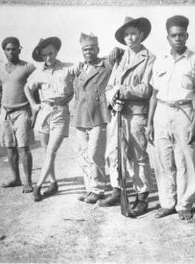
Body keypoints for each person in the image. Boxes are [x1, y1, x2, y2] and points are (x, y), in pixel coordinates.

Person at [147, 15, 195, 220]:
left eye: (181, 35)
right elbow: (154, 94)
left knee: (184, 161)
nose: (177, 39)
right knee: (163, 161)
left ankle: (184, 205)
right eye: (173, 35)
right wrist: (149, 123)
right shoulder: (160, 61)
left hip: (184, 113)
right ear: (168, 37)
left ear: (186, 35)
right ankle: (167, 203)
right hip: (161, 113)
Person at [99, 17, 155, 217]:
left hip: (136, 115)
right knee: (113, 153)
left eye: (132, 33)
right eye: (125, 34)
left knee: (137, 156)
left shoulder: (148, 58)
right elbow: (109, 87)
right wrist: (113, 100)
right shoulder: (121, 58)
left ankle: (142, 196)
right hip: (118, 113)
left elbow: (146, 89)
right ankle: (117, 189)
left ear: (141, 34)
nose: (129, 37)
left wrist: (122, 91)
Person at [24, 36, 75, 202]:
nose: (48, 58)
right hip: (45, 112)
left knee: (51, 151)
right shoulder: (38, 73)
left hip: (60, 112)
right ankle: (53, 183)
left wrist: (70, 97)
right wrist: (33, 104)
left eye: (51, 53)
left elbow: (81, 79)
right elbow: (27, 87)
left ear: (56, 51)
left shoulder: (69, 68)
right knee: (46, 150)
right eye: (44, 55)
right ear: (41, 56)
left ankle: (38, 186)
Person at [0, 36, 36, 193]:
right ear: (4, 51)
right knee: (10, 148)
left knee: (24, 147)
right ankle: (15, 178)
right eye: (8, 49)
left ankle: (28, 182)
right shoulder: (0, 70)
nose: (11, 52)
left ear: (19, 49)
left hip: (22, 111)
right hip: (5, 113)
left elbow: (36, 89)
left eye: (14, 49)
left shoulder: (28, 67)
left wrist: (35, 111)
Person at [74, 33, 116, 204]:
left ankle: (98, 189)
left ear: (98, 49)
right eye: (85, 49)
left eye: (91, 48)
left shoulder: (105, 64)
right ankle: (90, 188)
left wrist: (116, 50)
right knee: (83, 155)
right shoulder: (79, 69)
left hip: (99, 115)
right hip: (80, 116)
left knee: (94, 154)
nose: (88, 52)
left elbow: (118, 56)